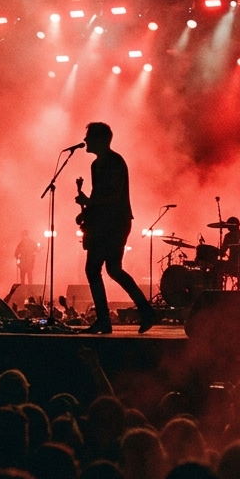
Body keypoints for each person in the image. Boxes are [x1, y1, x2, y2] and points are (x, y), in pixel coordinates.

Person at [74, 121, 156, 334]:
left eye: (89, 137)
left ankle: (105, 320)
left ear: (100, 140)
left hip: (114, 223)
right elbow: (99, 195)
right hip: (105, 222)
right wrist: (86, 211)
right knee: (113, 269)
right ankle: (145, 311)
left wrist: (89, 204)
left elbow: (113, 195)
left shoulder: (115, 162)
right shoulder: (97, 164)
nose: (85, 141)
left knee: (94, 269)